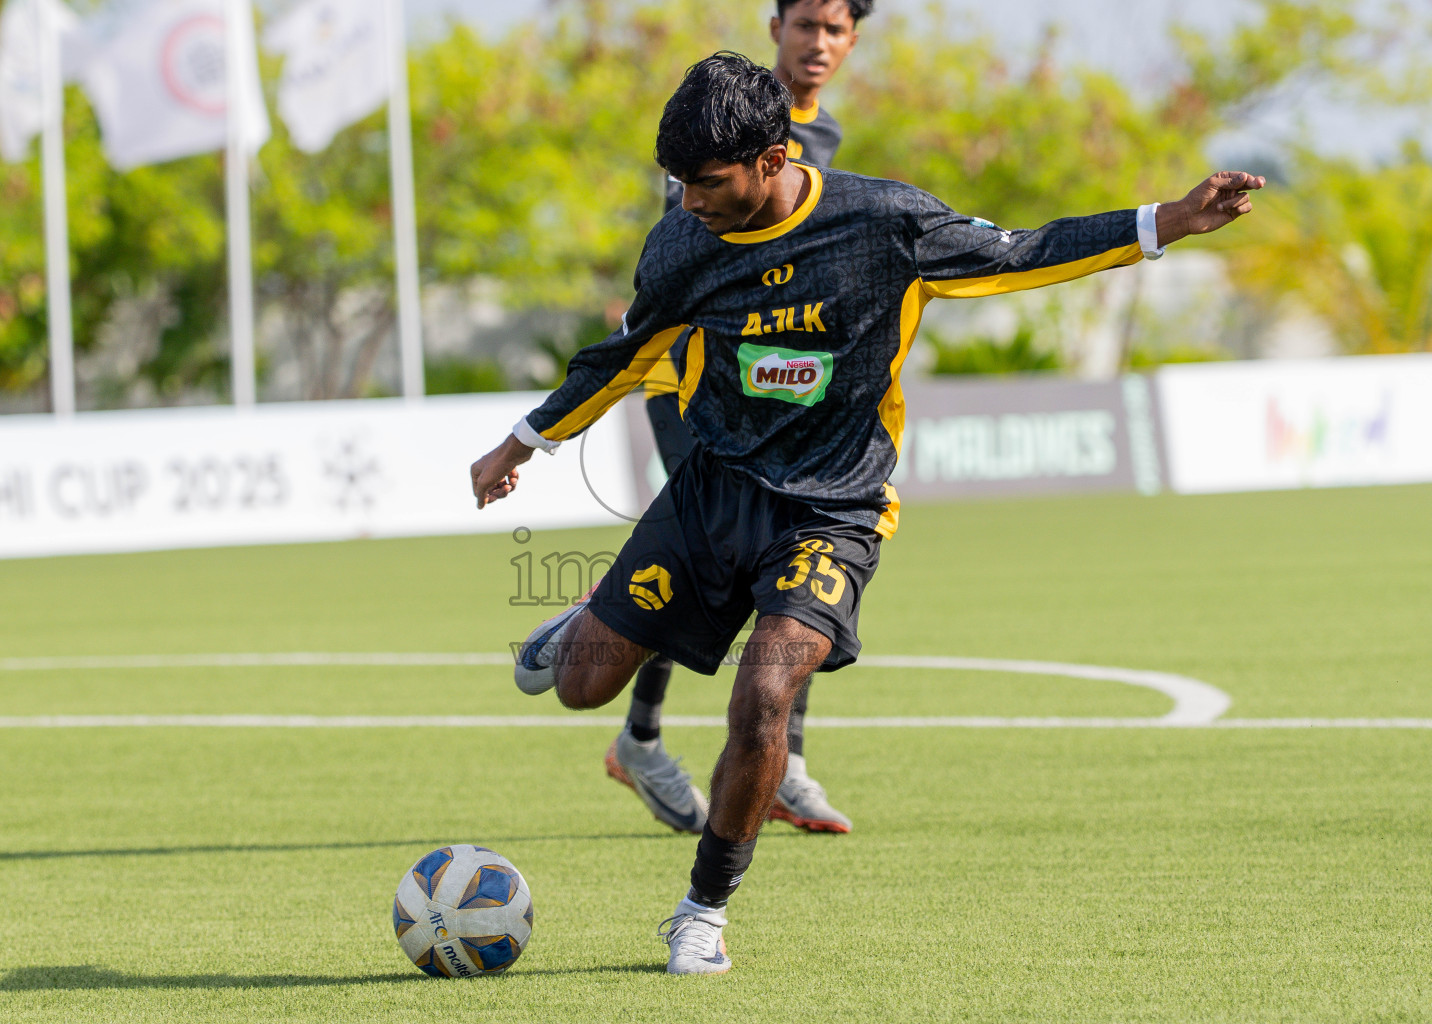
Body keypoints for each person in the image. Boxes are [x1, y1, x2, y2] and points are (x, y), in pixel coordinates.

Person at [471, 52, 1262, 975]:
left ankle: (701, 911)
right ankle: (587, 622)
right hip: (710, 493)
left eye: (707, 183)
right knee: (581, 688)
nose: (687, 202)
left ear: (772, 160)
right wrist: (523, 442)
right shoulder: (682, 244)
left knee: (765, 695)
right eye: (677, 183)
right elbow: (621, 354)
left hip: (832, 509)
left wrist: (1167, 221)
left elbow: (1026, 251)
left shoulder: (883, 224)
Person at [615, 0, 876, 839]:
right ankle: (644, 736)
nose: (820, 44)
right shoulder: (723, 120)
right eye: (807, 24)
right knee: (717, 556)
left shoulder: (821, 137)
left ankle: (779, 760)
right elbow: (687, 254)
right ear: (776, 28)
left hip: (767, 393)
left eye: (836, 30)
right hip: (691, 378)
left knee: (799, 555)